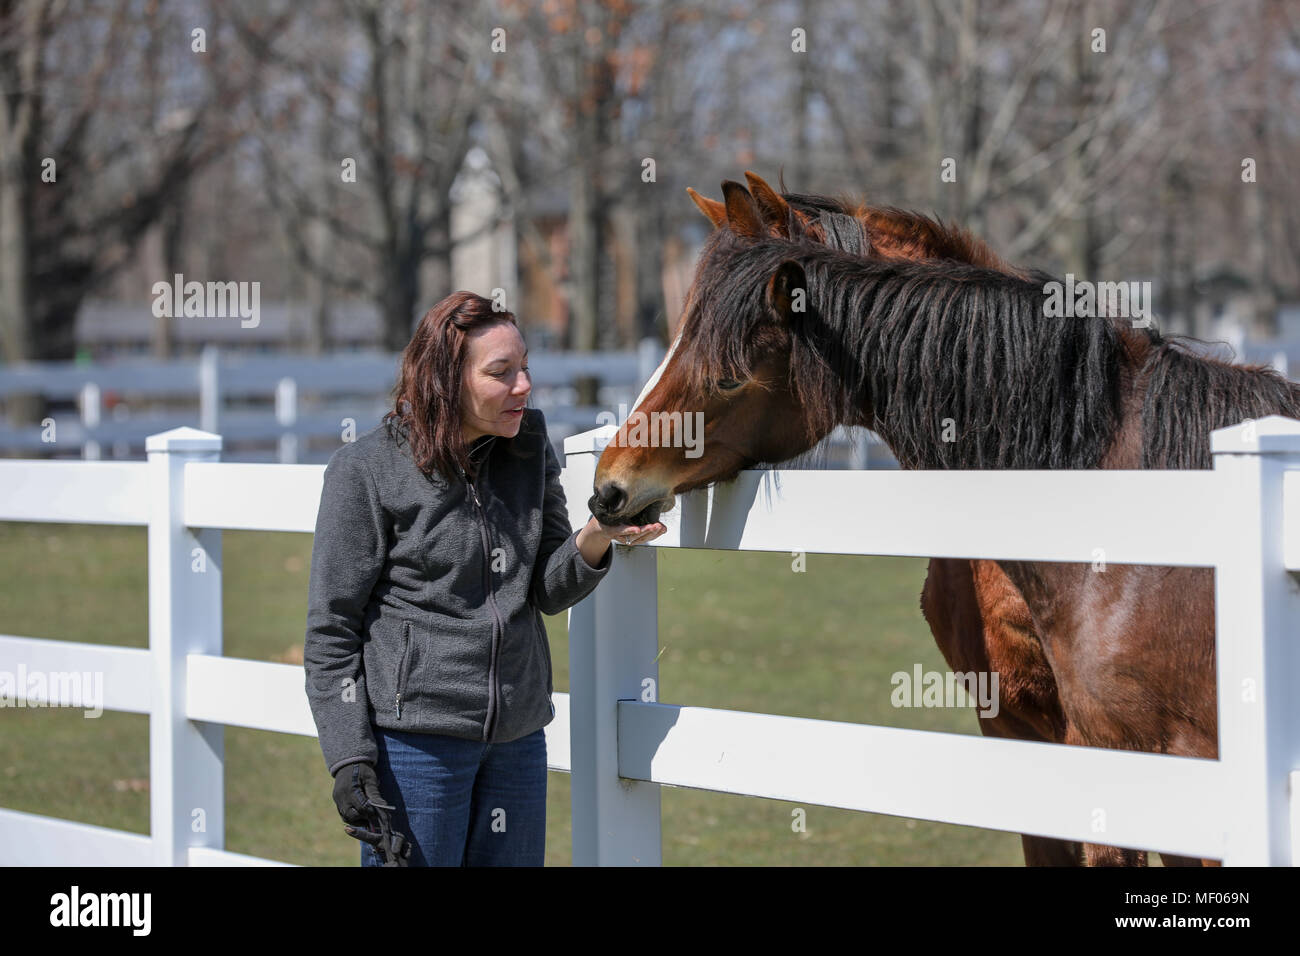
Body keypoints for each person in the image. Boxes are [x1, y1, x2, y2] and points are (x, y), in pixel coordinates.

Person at [302, 291, 666, 866]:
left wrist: (598, 534)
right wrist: (350, 760)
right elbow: (332, 631)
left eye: (524, 367)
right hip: (416, 745)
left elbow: (544, 587)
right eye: (501, 373)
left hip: (517, 741)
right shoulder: (364, 472)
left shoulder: (525, 447)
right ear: (445, 380)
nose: (523, 386)